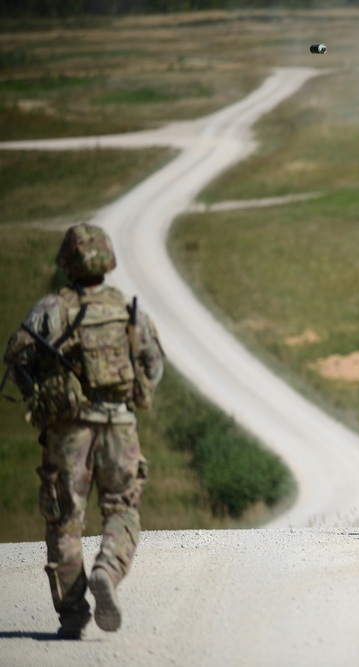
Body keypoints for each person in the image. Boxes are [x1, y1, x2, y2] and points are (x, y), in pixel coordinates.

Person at [3, 223, 164, 640]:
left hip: (68, 431)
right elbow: (152, 364)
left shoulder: (51, 309)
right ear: (108, 262)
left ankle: (73, 615)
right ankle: (107, 570)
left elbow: (16, 354)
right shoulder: (128, 311)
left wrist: (41, 396)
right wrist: (136, 395)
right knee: (123, 509)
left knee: (64, 522)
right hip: (120, 426)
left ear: (66, 263)